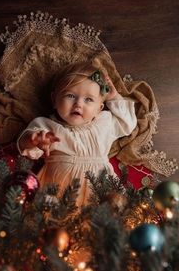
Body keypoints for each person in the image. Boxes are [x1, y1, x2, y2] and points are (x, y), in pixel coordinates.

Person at [17, 61, 137, 206]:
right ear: (54, 100)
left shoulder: (104, 123)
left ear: (100, 108)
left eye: (88, 99)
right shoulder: (47, 126)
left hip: (100, 189)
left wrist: (114, 97)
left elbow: (128, 123)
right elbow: (24, 146)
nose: (78, 104)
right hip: (58, 190)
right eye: (70, 96)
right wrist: (34, 140)